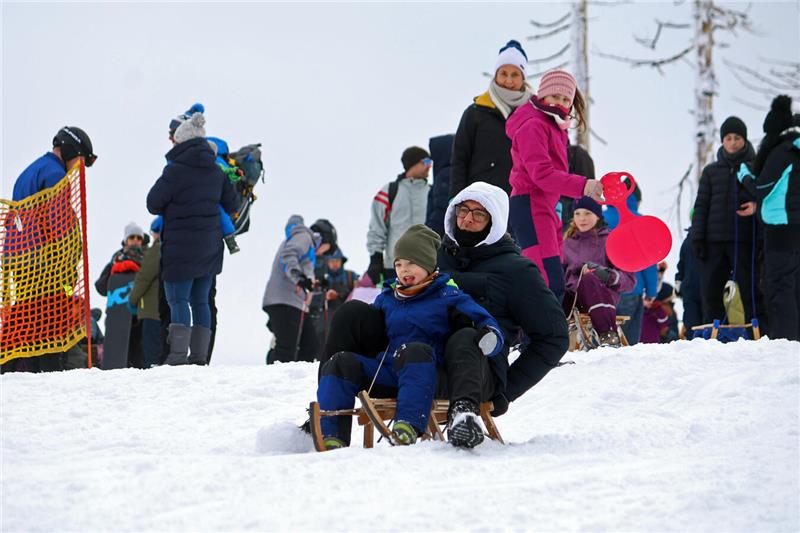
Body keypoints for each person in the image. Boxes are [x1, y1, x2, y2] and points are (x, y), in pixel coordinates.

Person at [318, 182, 569, 448]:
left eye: (479, 214)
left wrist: (506, 392)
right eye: (463, 210)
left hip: (468, 373)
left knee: (464, 335)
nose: (468, 219)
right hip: (406, 363)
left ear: (494, 222)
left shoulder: (517, 272)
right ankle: (327, 416)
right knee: (351, 313)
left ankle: (463, 416)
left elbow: (553, 337)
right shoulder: (433, 256)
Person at [317, 224, 504, 449]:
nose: (404, 270)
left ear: (427, 264)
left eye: (411, 263)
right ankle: (332, 433)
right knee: (341, 362)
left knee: (413, 349)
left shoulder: (447, 294)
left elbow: (485, 323)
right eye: (399, 264)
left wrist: (490, 338)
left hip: (429, 371)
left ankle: (407, 424)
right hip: (391, 371)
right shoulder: (388, 297)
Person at [147, 112, 239, 366]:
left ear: (182, 141)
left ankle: (177, 357)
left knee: (178, 300)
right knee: (201, 301)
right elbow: (232, 202)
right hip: (209, 248)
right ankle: (199, 358)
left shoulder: (174, 171)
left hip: (180, 250)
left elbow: (153, 203)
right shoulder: (216, 171)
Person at [2, 126, 96, 373]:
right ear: (70, 151)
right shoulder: (55, 175)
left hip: (18, 259)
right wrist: (69, 263)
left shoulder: (29, 172)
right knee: (51, 319)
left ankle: (30, 372)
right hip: (45, 262)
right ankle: (49, 374)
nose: (79, 168)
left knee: (28, 317)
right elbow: (60, 223)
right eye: (81, 160)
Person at [506, 69, 602, 302]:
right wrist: (583, 185)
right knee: (547, 279)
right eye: (555, 96)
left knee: (552, 272)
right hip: (530, 203)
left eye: (565, 99)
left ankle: (547, 331)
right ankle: (540, 333)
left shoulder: (554, 125)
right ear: (542, 95)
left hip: (545, 204)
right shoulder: (534, 125)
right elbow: (541, 173)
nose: (560, 103)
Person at [691, 116, 763, 328]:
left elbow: (763, 196)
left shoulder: (754, 167)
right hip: (714, 242)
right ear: (723, 141)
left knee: (751, 292)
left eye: (737, 138)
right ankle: (714, 337)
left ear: (745, 140)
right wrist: (697, 238)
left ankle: (758, 334)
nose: (733, 142)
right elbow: (701, 206)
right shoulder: (711, 172)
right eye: (728, 138)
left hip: (744, 242)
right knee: (711, 293)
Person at [449, 40, 534, 198]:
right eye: (503, 74)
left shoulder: (536, 114)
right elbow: (459, 160)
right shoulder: (476, 112)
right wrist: (457, 198)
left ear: (523, 78)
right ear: (496, 75)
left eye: (515, 74)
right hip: (480, 203)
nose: (508, 80)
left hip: (524, 202)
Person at [746, 95, 800, 340]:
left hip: (780, 228)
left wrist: (744, 175)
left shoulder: (783, 151)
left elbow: (761, 186)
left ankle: (785, 340)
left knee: (779, 284)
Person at [562, 196, 636, 347]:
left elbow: (630, 281)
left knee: (589, 279)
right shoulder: (566, 244)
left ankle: (607, 334)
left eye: (587, 213)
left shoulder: (610, 240)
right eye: (578, 214)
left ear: (597, 215)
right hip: (573, 300)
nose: (582, 218)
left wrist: (605, 274)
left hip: (601, 297)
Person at [262, 215, 323, 364]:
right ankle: (275, 382)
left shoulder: (299, 240)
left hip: (290, 301)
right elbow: (289, 256)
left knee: (309, 345)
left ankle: (296, 380)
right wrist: (299, 278)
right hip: (285, 301)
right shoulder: (303, 236)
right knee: (288, 349)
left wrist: (313, 284)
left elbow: (304, 271)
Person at [366, 146, 432, 285]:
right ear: (413, 163)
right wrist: (375, 258)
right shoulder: (389, 191)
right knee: (396, 305)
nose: (430, 165)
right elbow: (377, 227)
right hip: (396, 266)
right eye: (426, 161)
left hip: (427, 265)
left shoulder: (432, 192)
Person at [604, 186, 658, 345]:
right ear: (635, 200)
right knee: (628, 342)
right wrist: (651, 291)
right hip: (632, 289)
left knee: (603, 341)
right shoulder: (641, 221)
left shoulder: (599, 218)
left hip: (603, 290)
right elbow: (649, 260)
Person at [128, 219, 164, 367]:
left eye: (139, 238)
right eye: (132, 238)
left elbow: (144, 278)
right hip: (164, 306)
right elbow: (101, 285)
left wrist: (132, 299)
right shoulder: (117, 258)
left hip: (150, 307)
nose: (136, 241)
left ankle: (152, 368)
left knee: (151, 347)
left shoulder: (155, 250)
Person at [675, 223, 704, 339]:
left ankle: (693, 342)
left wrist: (678, 280)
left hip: (689, 287)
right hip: (706, 288)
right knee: (706, 321)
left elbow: (681, 264)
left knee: (691, 322)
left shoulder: (687, 241)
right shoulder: (710, 238)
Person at [425, 134, 455, 237]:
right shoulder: (456, 173)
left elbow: (442, 208)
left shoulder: (445, 175)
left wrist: (428, 233)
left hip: (440, 237)